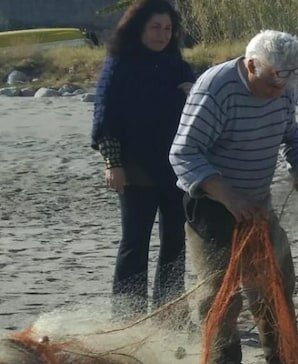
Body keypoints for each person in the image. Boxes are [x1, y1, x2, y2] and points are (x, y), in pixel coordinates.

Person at [169, 30, 298, 364]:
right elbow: (183, 154)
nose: (280, 91)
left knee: (276, 288)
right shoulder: (215, 90)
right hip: (213, 206)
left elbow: (290, 131)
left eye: (289, 81)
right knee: (220, 300)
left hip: (258, 204)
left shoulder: (286, 83)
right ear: (251, 65)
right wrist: (229, 196)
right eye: (272, 83)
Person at [91, 0, 195, 318]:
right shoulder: (120, 63)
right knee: (135, 242)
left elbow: (198, 107)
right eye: (155, 27)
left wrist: (194, 90)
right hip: (134, 167)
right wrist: (113, 164)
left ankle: (169, 311)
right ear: (138, 27)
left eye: (167, 28)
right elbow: (106, 116)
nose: (162, 34)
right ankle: (128, 314)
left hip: (177, 166)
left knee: (175, 243)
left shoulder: (175, 62)